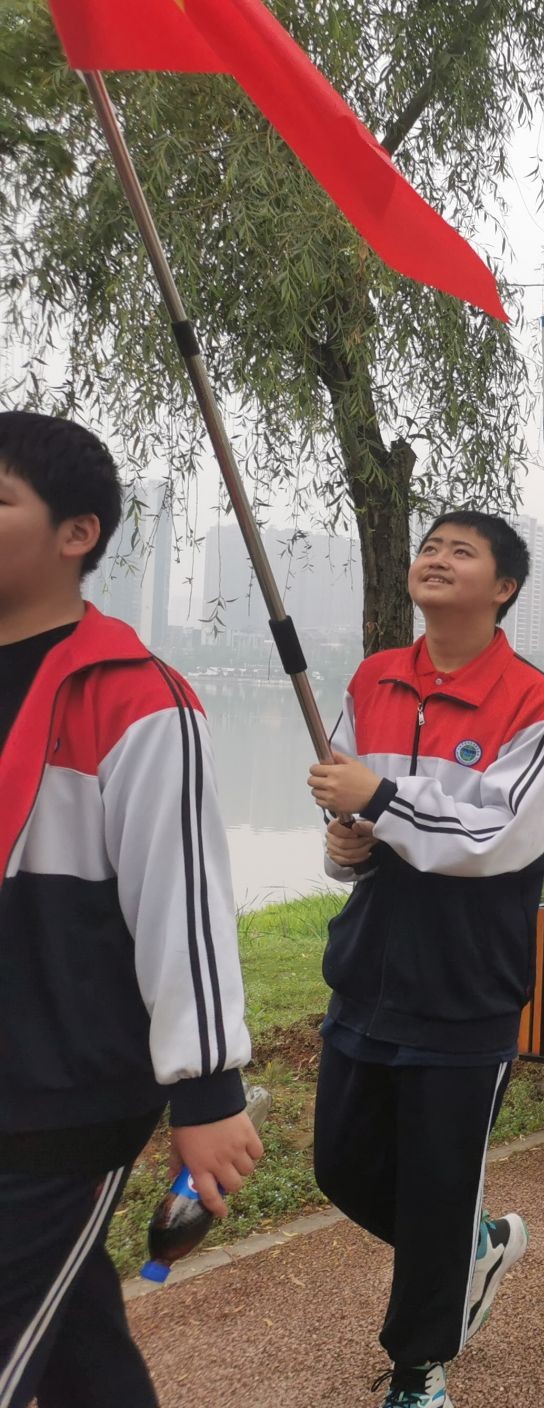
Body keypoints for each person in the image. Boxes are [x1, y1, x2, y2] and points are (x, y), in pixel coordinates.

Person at [0, 413, 259, 1408]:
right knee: (75, 1353)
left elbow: (182, 901)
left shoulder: (135, 698)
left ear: (78, 533)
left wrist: (206, 1092)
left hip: (59, 1092)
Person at [309, 511, 544, 1404]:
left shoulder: (534, 700)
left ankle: (418, 1368)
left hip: (467, 977)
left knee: (436, 1177)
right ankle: (471, 1246)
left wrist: (380, 795)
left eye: (462, 551)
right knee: (338, 1164)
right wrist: (341, 842)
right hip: (371, 960)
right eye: (430, 545)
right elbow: (343, 805)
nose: (436, 558)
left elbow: (500, 831)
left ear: (504, 589)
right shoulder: (375, 678)